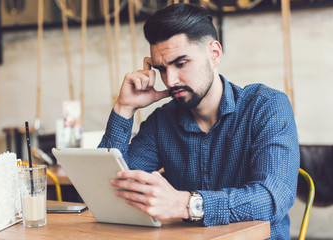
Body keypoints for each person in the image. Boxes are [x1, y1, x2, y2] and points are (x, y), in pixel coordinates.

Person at [98, 3, 299, 239]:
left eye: (181, 64)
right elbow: (111, 192)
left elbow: (273, 198)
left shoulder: (266, 106)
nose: (170, 80)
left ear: (214, 54)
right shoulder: (161, 122)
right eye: (162, 69)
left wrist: (185, 203)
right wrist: (124, 108)